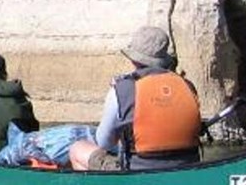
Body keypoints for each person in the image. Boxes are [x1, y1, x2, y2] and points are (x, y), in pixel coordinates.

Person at [69, 26, 202, 171]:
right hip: (187, 168)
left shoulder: (121, 89)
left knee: (78, 149)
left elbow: (104, 142)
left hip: (139, 171)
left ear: (133, 59)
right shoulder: (188, 86)